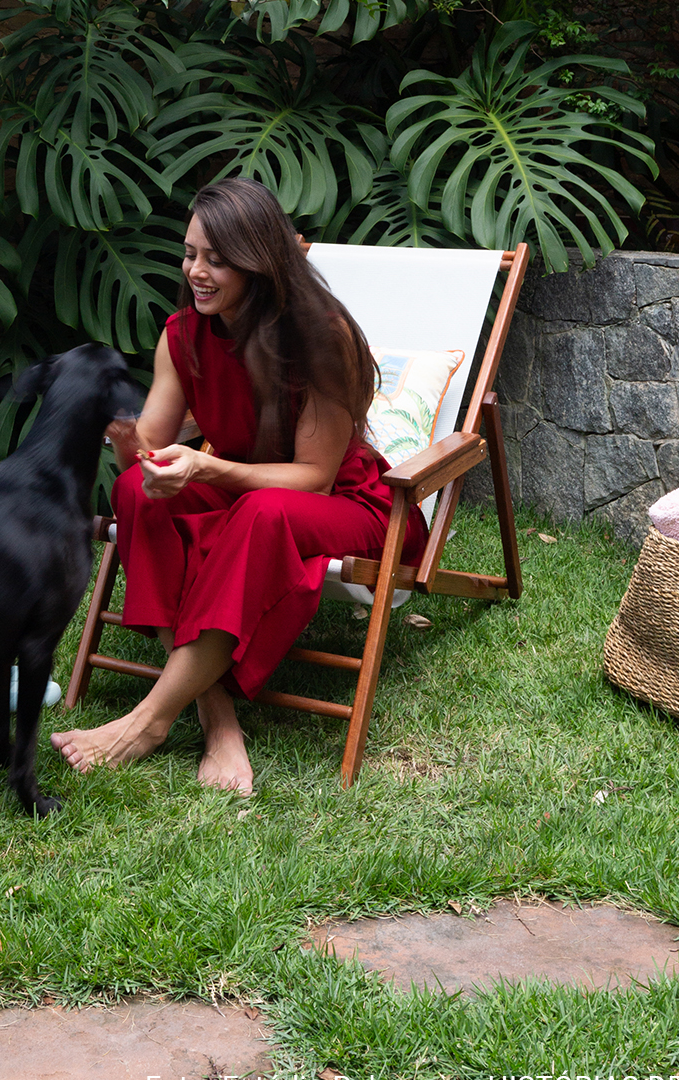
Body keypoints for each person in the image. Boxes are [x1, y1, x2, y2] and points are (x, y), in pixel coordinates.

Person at [50, 177, 427, 795]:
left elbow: (313, 477)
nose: (196, 271)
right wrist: (124, 441)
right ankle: (217, 716)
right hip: (250, 492)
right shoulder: (182, 336)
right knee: (136, 497)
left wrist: (207, 467)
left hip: (350, 505)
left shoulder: (321, 337)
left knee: (260, 513)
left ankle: (149, 719)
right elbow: (146, 464)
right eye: (191, 253)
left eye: (217, 260)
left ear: (258, 265)